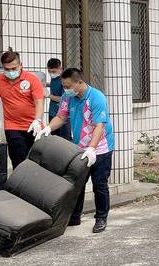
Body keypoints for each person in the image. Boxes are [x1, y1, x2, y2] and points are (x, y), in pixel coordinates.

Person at [37, 68, 115, 234]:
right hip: (79, 147)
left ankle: (101, 218)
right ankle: (74, 216)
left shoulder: (96, 97)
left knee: (99, 184)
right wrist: (48, 128)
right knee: (76, 184)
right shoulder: (68, 97)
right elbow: (61, 117)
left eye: (68, 86)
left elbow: (100, 125)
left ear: (80, 82)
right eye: (64, 87)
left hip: (100, 148)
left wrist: (92, 149)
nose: (65, 90)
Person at [0, 49, 44, 169]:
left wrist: (37, 120)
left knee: (37, 160)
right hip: (13, 126)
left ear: (20, 65)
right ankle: (20, 185)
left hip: (33, 125)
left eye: (14, 68)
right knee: (18, 160)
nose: (11, 72)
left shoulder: (32, 79)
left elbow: (39, 101)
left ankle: (35, 185)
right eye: (7, 69)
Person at [45, 58, 71, 141]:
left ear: (61, 69)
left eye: (54, 72)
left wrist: (48, 95)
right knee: (54, 140)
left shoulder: (65, 81)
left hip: (63, 114)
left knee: (64, 140)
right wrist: (45, 84)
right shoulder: (54, 78)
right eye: (50, 71)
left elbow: (63, 99)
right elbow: (54, 85)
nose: (52, 74)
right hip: (53, 113)